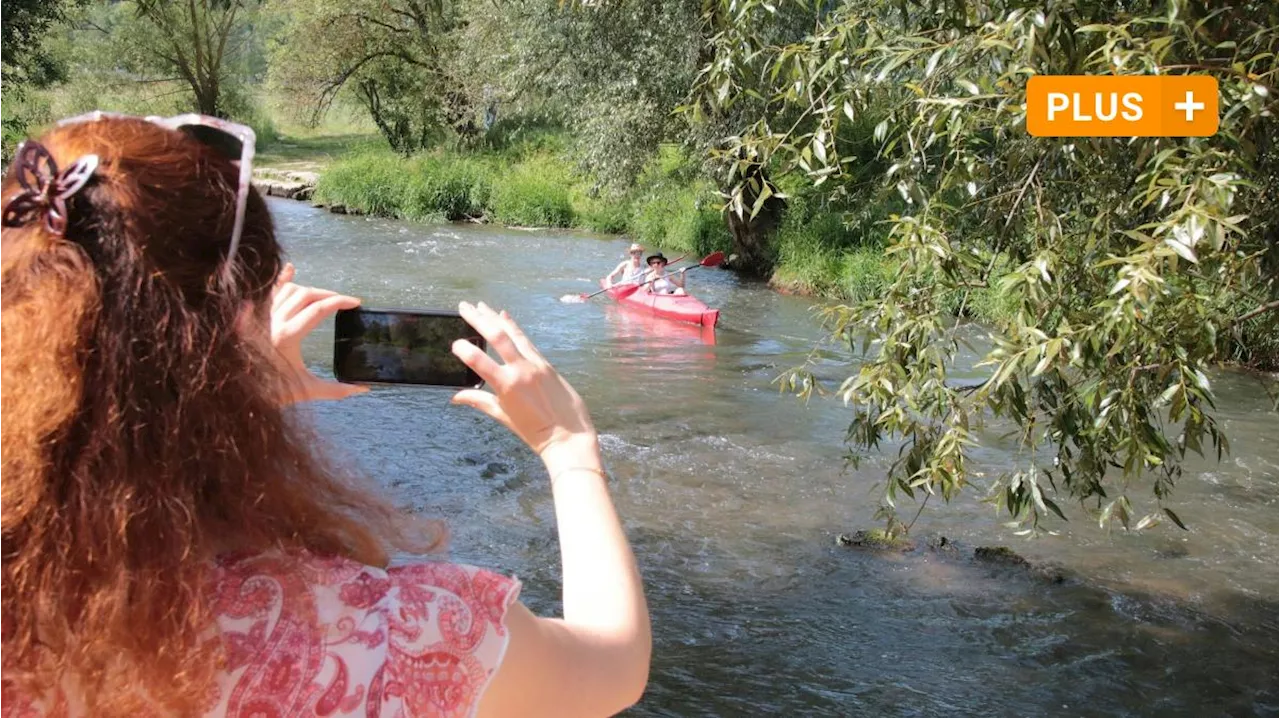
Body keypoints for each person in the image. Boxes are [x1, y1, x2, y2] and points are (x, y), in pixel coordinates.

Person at [0, 114, 650, 717]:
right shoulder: (393, 632)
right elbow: (613, 663)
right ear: (241, 328)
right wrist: (569, 449)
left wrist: (232, 389)